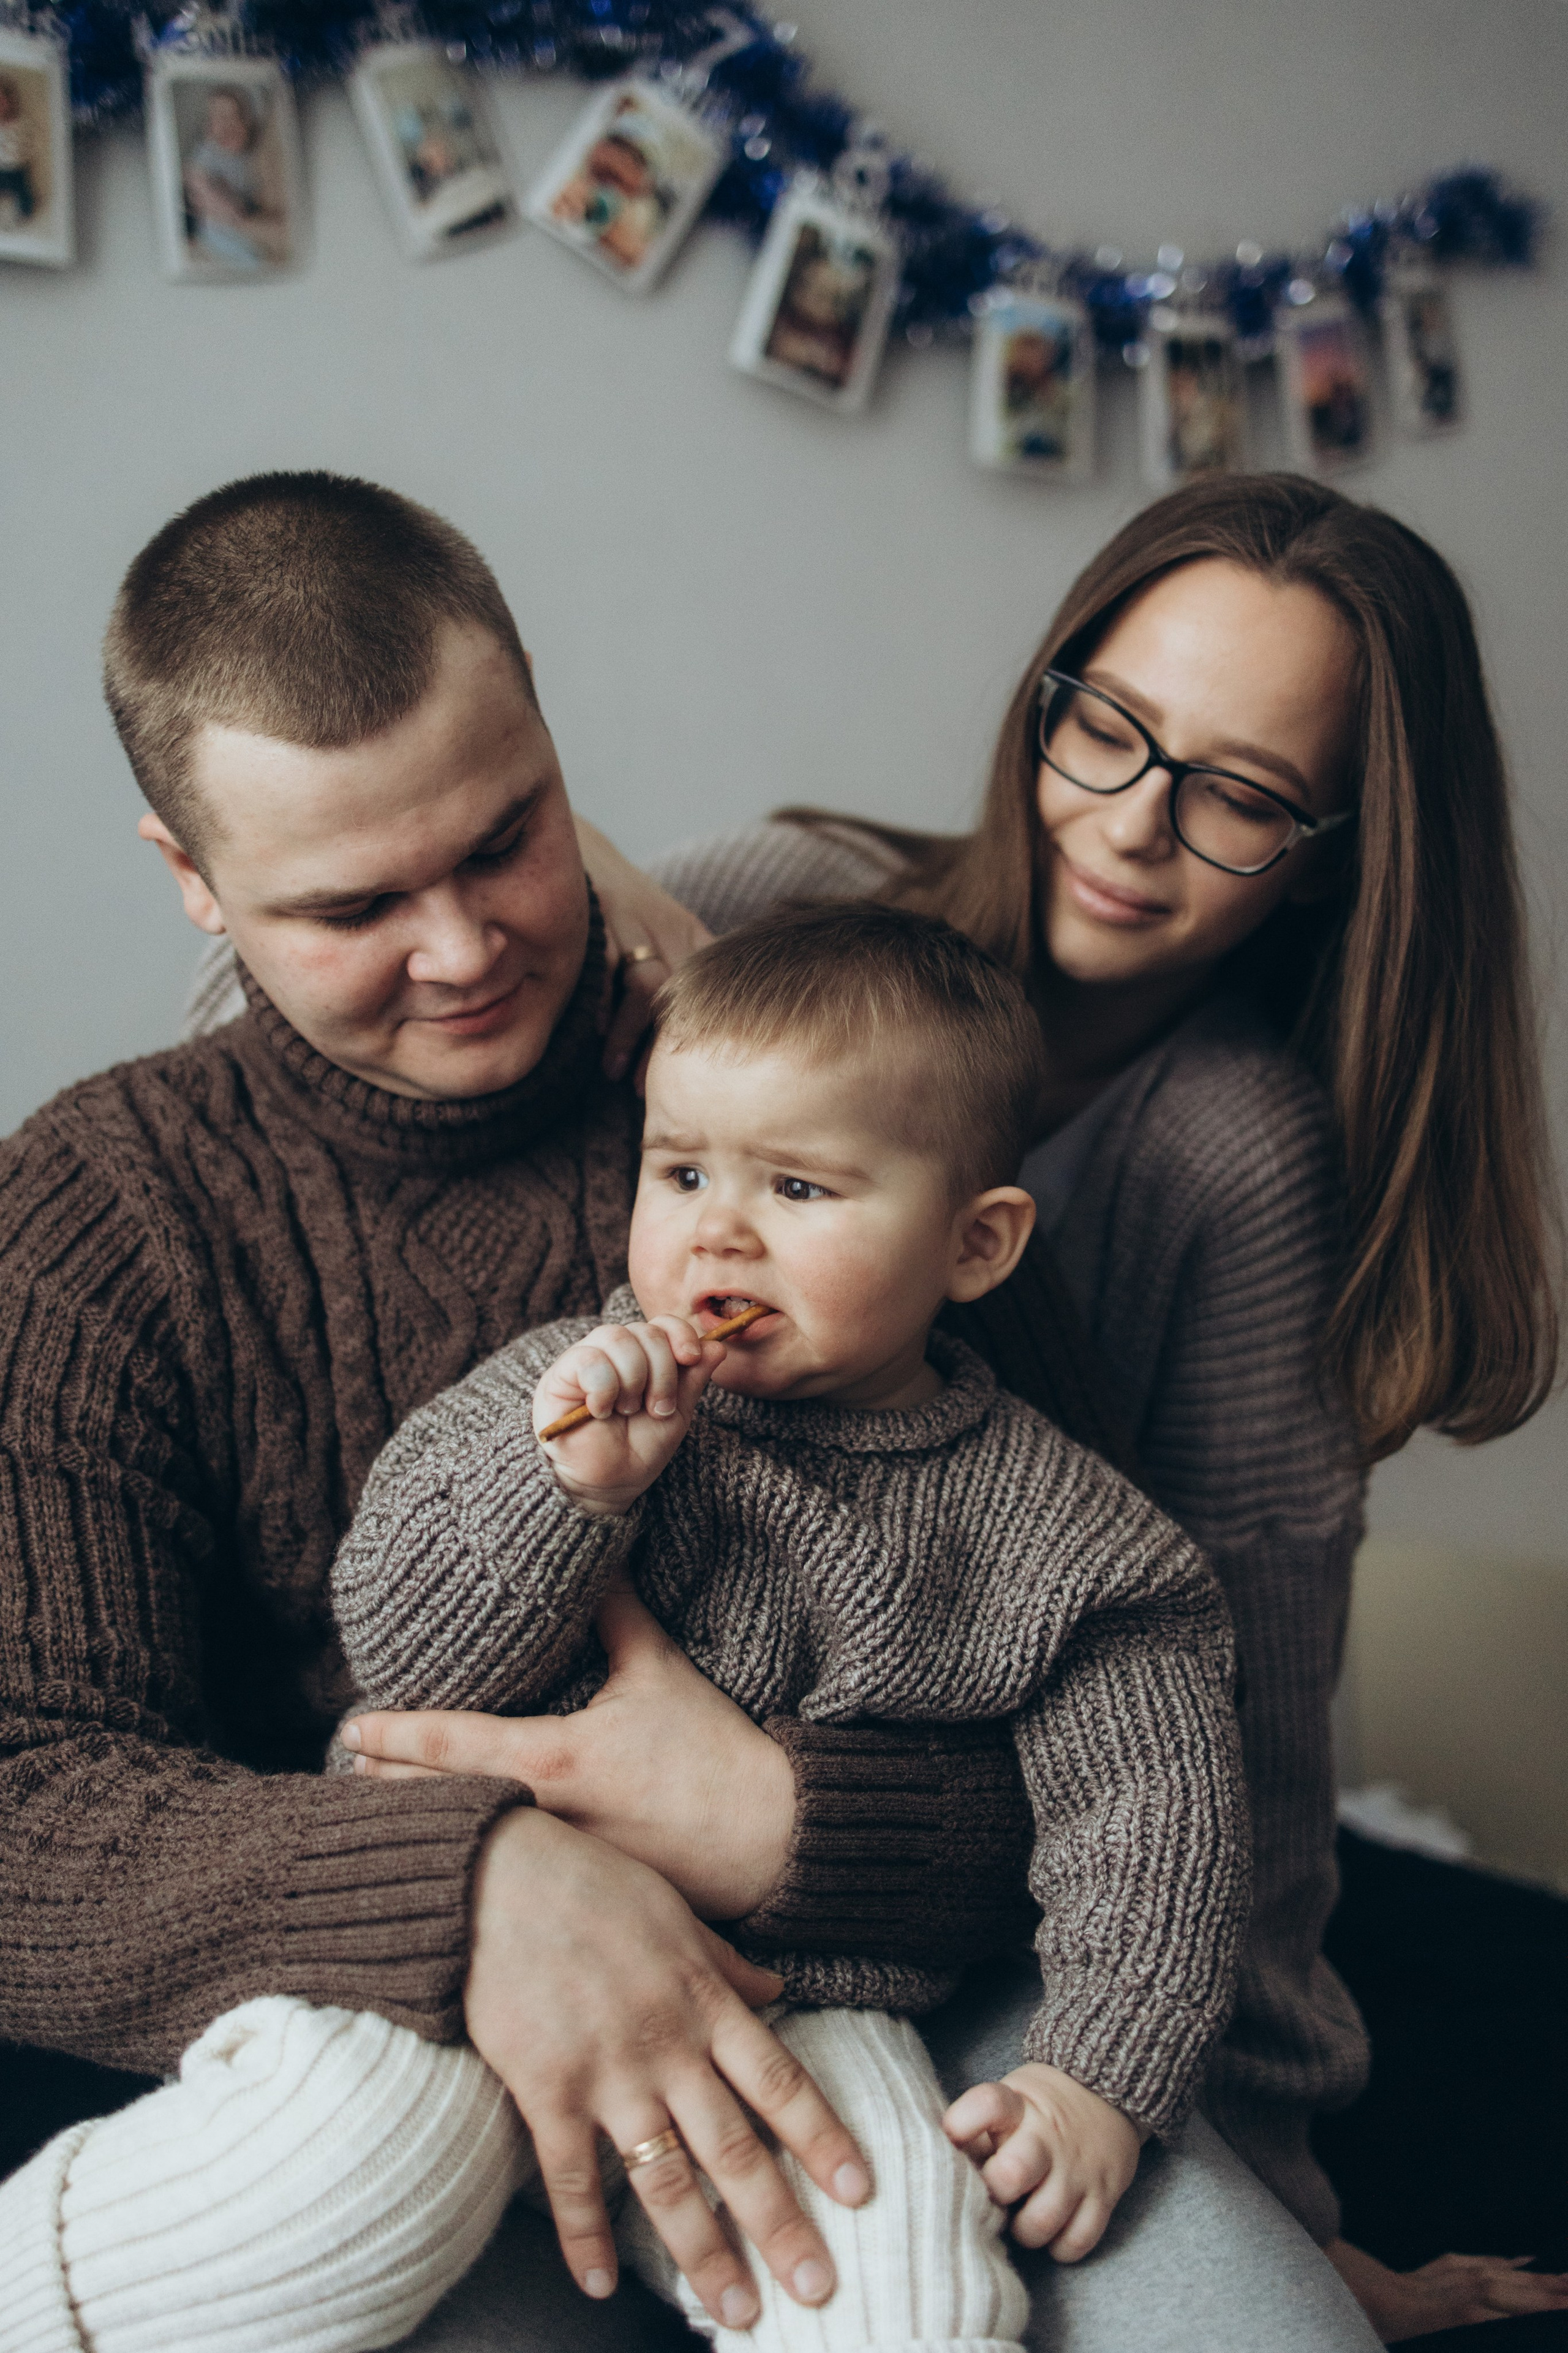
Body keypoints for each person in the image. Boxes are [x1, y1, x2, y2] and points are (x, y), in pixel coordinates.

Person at [0, 471, 1380, 2353]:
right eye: (351, 903)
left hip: (909, 1993)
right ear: (191, 876)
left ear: (555, 741)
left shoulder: (841, 1108)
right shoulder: (100, 1210)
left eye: (506, 837)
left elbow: (1122, 1714)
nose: (467, 946)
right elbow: (26, 1790)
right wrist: (482, 1880)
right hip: (385, 2002)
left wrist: (771, 1817)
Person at [478, 470, 1558, 2344]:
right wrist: (597, 918)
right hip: (567, 1810)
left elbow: (1241, 1729)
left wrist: (1286, 2211)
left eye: (1235, 795)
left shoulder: (1233, 1153)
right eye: (1109, 726)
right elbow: (331, 1063)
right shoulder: (772, 905)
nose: (1129, 825)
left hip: (994, 1909)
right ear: (1046, 689)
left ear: (1341, 847)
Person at [219, 899, 1241, 2353]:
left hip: (792, 2010)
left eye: (799, 1189)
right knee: (318, 2174)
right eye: (681, 1167)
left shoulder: (1065, 1537)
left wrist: (1096, 2077)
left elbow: (1155, 1815)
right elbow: (395, 1649)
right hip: (457, 1950)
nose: (715, 1227)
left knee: (914, 2285)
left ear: (974, 1242)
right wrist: (558, 1489)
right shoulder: (560, 1394)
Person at [182, 86, 288, 272]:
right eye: (218, 119)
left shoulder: (251, 154)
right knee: (247, 257)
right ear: (208, 128)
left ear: (249, 124)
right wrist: (222, 206)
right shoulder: (209, 152)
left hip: (247, 210)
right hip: (216, 222)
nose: (227, 125)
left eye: (236, 117)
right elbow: (197, 179)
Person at [0, 74, 37, 228]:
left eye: (2, 101)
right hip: (1, 168)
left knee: (24, 194)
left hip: (19, 168)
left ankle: (26, 207)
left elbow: (31, 141)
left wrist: (25, 153)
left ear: (11, 101)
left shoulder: (21, 122)